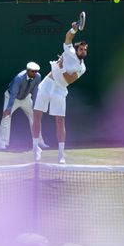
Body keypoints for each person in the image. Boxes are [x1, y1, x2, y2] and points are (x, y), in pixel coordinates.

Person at [31, 21, 88, 163]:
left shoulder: (82, 68)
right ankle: (35, 148)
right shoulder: (69, 50)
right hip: (47, 84)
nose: (83, 51)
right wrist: (73, 29)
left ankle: (61, 154)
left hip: (60, 89)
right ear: (76, 49)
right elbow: (68, 37)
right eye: (81, 49)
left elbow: (68, 80)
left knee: (60, 120)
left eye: (85, 50)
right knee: (37, 114)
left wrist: (61, 67)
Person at [0, 62, 48, 150]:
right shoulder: (19, 78)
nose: (35, 73)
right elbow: (13, 94)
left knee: (35, 117)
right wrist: (9, 108)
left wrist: (35, 106)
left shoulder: (38, 77)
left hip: (26, 98)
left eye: (36, 71)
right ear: (27, 71)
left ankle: (40, 142)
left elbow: (35, 91)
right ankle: (3, 144)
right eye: (33, 71)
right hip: (12, 98)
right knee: (6, 117)